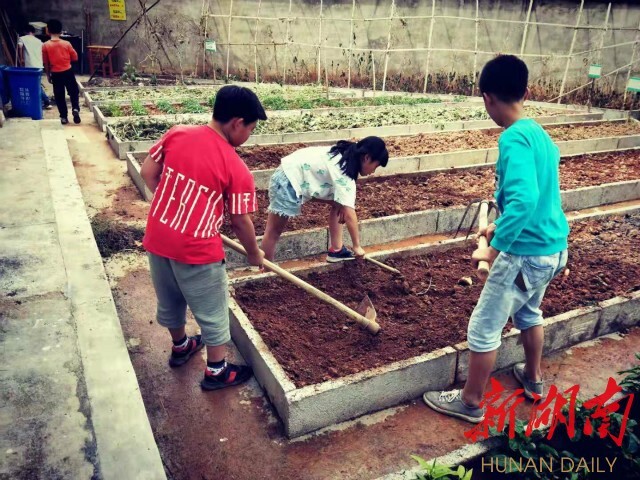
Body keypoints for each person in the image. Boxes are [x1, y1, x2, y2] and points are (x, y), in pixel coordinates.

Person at [423, 55, 569, 423]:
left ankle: (470, 402)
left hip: (526, 255)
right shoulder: (540, 134)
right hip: (553, 249)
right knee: (528, 311)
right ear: (526, 91)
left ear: (487, 98)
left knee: (484, 326)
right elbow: (537, 197)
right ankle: (533, 380)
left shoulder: (513, 138)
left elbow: (524, 200)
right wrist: (497, 225)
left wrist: (493, 246)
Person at [140, 85, 267, 391]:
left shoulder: (177, 134)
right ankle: (217, 370)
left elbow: (147, 172)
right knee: (212, 310)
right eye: (251, 128)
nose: (249, 134)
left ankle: (181, 346)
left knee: (169, 299)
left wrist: (174, 204)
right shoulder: (235, 167)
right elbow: (239, 220)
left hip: (158, 238)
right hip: (198, 251)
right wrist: (254, 254)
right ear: (237, 123)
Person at [261, 137, 389, 262]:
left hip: (293, 175)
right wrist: (357, 246)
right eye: (375, 166)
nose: (373, 172)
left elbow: (343, 205)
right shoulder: (344, 172)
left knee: (339, 202)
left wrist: (341, 204)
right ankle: (266, 271)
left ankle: (336, 250)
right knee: (274, 231)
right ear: (366, 158)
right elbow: (350, 214)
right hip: (288, 179)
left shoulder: (347, 156)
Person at [42, 19, 80, 124]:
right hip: (68, 71)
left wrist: (49, 76)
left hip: (56, 73)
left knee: (59, 95)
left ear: (48, 31)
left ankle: (63, 117)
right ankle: (75, 109)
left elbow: (46, 62)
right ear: (60, 31)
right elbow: (75, 57)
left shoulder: (45, 45)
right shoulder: (66, 43)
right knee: (73, 91)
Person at [17, 24, 51, 109]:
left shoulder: (22, 38)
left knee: (34, 84)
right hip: (39, 65)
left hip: (29, 66)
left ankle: (46, 100)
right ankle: (41, 101)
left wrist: (21, 59)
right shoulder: (39, 41)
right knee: (36, 83)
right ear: (34, 32)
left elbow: (20, 47)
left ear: (25, 31)